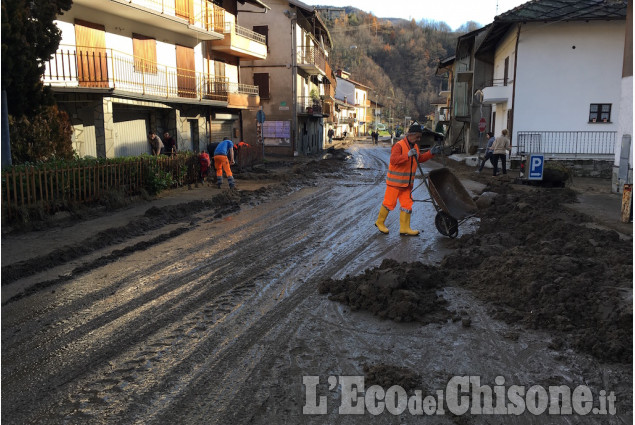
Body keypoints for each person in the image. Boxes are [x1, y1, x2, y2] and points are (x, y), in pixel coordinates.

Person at [374, 124, 443, 236]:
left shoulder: (415, 146)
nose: (419, 139)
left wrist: (431, 153)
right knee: (389, 203)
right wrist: (407, 155)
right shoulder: (399, 145)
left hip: (407, 184)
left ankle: (405, 228)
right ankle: (380, 222)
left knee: (407, 205)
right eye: (417, 137)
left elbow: (419, 158)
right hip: (395, 183)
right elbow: (393, 160)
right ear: (410, 135)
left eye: (419, 137)